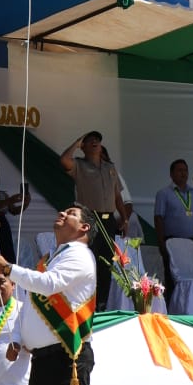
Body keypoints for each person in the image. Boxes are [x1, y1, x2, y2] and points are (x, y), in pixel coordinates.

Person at [0, 203, 97, 385]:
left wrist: (8, 270)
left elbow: (49, 286)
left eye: (70, 213)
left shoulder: (79, 255)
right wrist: (19, 339)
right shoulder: (52, 258)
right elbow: (32, 303)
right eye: (64, 210)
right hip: (44, 358)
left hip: (66, 355)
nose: (62, 213)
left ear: (84, 227)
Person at [59, 130, 129, 310]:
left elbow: (116, 194)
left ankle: (101, 304)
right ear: (83, 147)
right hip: (90, 218)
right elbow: (64, 160)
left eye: (97, 140)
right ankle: (85, 303)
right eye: (90, 141)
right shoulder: (79, 165)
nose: (95, 142)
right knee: (88, 261)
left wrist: (124, 217)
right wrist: (77, 141)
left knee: (106, 263)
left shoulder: (110, 167)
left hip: (108, 219)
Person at [154, 158, 193, 295]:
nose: (183, 173)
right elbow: (158, 218)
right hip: (173, 242)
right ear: (171, 174)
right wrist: (161, 243)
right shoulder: (163, 193)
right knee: (173, 276)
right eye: (179, 170)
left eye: (185, 170)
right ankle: (172, 306)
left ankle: (192, 304)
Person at [0, 161, 30, 262]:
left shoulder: (2, 194)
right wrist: (10, 200)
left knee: (7, 256)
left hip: (3, 228)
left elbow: (14, 211)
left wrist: (25, 203)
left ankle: (8, 277)